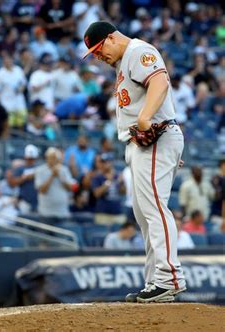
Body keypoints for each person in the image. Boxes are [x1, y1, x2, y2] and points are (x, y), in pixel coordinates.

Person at [83, 21, 186, 302]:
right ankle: (156, 281)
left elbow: (160, 81)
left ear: (111, 38)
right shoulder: (122, 61)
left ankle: (169, 277)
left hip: (154, 137)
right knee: (144, 215)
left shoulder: (138, 51)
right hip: (147, 141)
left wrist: (144, 118)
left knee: (154, 209)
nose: (97, 56)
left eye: (97, 48)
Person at [35, 147, 76, 225]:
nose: (53, 161)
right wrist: (52, 176)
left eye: (55, 158)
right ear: (47, 158)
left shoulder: (64, 170)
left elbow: (71, 188)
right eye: (51, 158)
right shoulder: (40, 170)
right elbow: (42, 190)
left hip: (62, 213)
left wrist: (60, 177)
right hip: (46, 213)